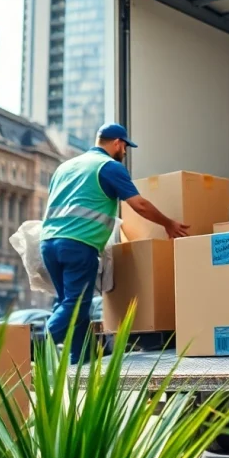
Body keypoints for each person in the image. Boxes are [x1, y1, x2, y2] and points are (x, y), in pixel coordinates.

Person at [40, 123, 189, 363]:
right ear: (118, 143)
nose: (126, 153)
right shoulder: (109, 167)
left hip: (48, 244)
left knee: (71, 305)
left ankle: (80, 362)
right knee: (76, 305)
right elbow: (138, 204)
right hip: (78, 244)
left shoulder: (65, 167)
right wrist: (168, 223)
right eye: (126, 147)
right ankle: (35, 345)